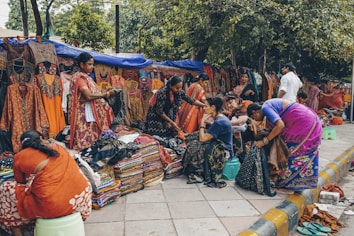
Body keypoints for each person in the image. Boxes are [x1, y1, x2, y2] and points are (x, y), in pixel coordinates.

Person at [0, 130, 92, 236]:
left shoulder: (20, 156)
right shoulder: (59, 148)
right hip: (80, 201)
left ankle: (17, 231)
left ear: (22, 145)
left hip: (52, 207)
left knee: (5, 188)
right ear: (41, 139)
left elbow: (20, 181)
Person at [247, 98, 322, 193]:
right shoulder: (268, 108)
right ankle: (296, 185)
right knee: (294, 151)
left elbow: (280, 125)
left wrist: (264, 141)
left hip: (304, 122)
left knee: (290, 151)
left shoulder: (265, 107)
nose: (256, 120)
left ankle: (288, 187)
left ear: (255, 112)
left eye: (254, 118)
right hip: (308, 119)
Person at [68, 52, 116, 151]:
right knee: (85, 135)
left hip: (90, 112)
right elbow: (88, 96)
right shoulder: (80, 78)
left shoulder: (87, 78)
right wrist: (106, 94)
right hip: (84, 113)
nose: (92, 67)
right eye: (89, 64)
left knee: (93, 134)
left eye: (93, 64)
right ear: (82, 65)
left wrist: (104, 92)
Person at [183, 96, 233, 188]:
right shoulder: (219, 118)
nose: (204, 108)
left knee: (194, 146)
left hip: (223, 151)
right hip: (218, 144)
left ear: (213, 107)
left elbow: (202, 139)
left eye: (206, 106)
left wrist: (202, 123)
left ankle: (197, 172)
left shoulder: (219, 122)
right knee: (192, 137)